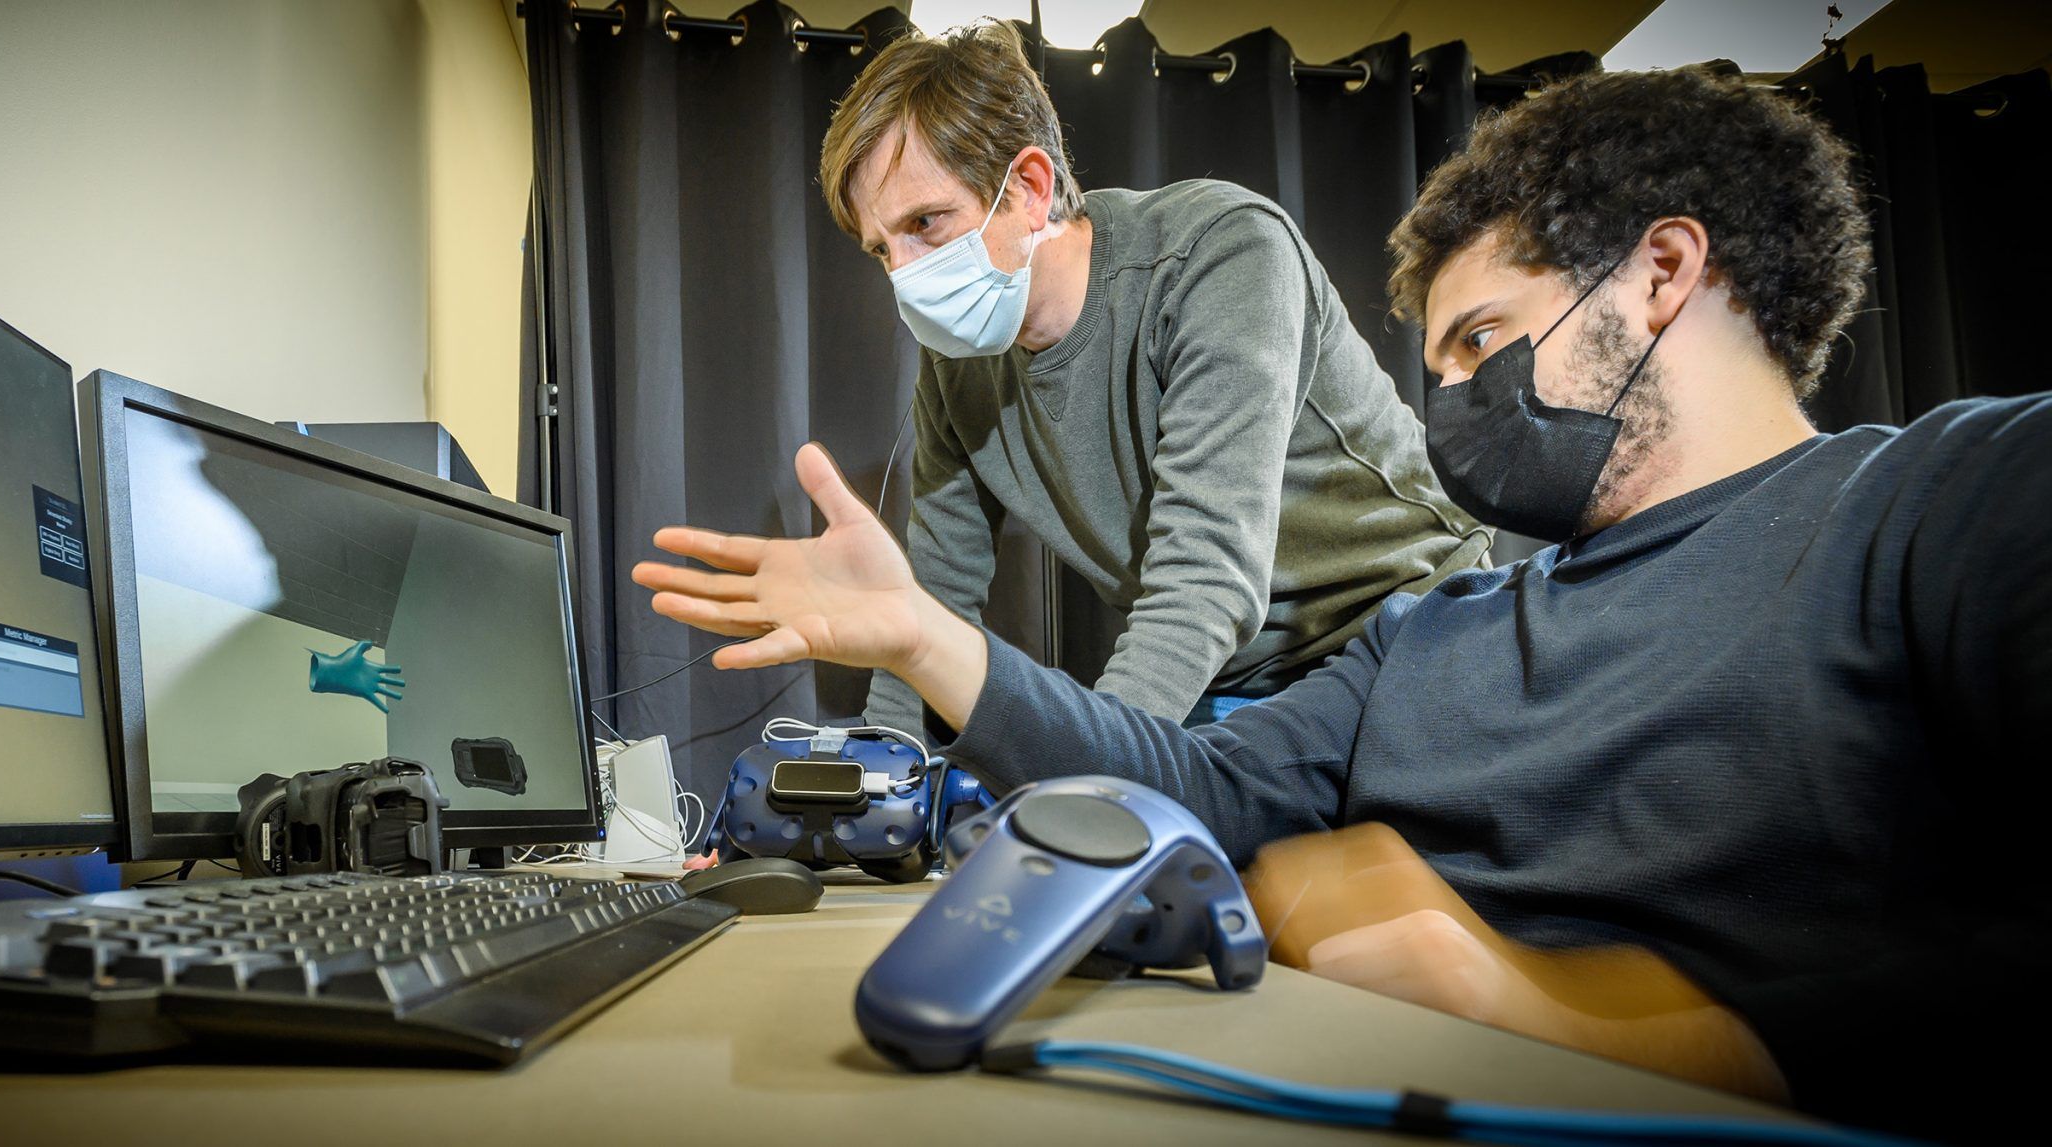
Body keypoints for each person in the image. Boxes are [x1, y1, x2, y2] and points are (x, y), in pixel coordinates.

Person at [637, 65, 2050, 1141]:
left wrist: (1627, 1022)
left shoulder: (1950, 498)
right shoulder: (1435, 653)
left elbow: (1205, 571)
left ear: (1667, 273)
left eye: (1482, 341)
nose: (1449, 405)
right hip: (1332, 732)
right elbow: (1177, 767)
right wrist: (921, 659)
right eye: (1435, 363)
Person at [825, 22, 1490, 731]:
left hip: (1407, 626)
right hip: (1235, 674)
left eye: (925, 223)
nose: (905, 275)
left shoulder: (1221, 252)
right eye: (881, 250)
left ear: (1028, 188)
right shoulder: (956, 370)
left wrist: (1092, 776)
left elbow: (1205, 577)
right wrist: (874, 785)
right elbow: (936, 598)